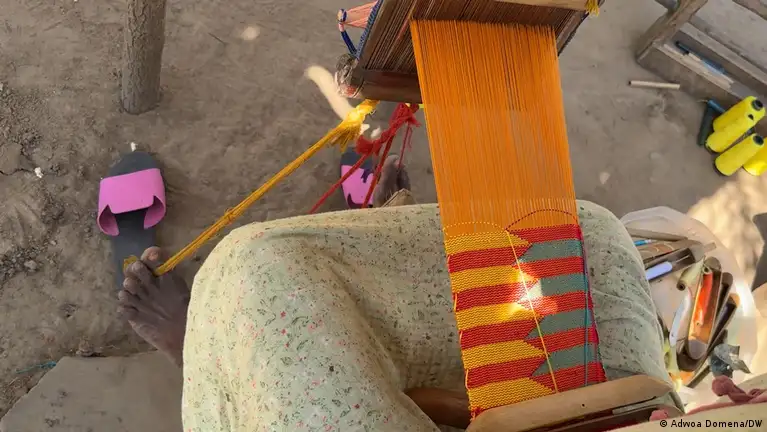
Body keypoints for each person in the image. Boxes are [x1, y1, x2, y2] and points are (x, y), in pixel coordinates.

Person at [117, 156, 685, 431]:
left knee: (264, 273)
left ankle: (200, 354)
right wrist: (723, 419)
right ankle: (377, 238)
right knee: (591, 237)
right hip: (637, 415)